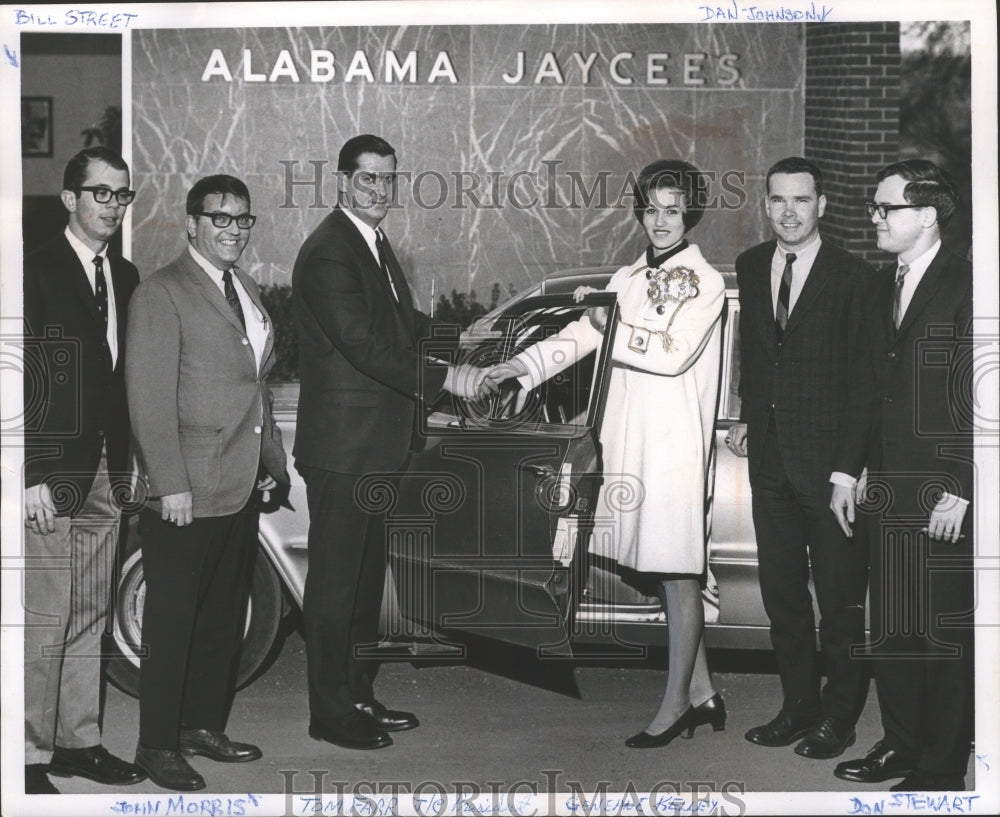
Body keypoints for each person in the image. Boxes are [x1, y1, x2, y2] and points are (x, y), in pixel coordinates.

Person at [486, 160, 727, 748]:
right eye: (652, 208)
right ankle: (704, 692)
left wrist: (607, 322)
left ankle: (675, 708)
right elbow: (580, 335)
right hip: (629, 441)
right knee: (663, 568)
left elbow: (669, 352)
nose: (662, 220)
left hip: (672, 448)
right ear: (641, 212)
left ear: (689, 214)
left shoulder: (707, 281)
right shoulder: (630, 275)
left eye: (673, 210)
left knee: (677, 573)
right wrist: (519, 366)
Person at [291, 134, 488, 752]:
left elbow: (401, 325)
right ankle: (329, 712)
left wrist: (470, 332)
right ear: (343, 181)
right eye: (368, 179)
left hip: (376, 447)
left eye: (388, 180)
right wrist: (447, 377)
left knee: (363, 586)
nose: (379, 190)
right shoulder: (329, 251)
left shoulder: (370, 245)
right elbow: (365, 345)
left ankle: (356, 694)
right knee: (333, 587)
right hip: (344, 452)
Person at [125, 175, 290, 790]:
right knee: (172, 621)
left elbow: (255, 385)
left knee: (222, 617)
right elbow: (148, 400)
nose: (233, 229)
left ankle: (200, 727)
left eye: (243, 220)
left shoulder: (241, 287)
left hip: (238, 484)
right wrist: (170, 483)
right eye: (220, 217)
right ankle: (156, 744)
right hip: (185, 490)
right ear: (191, 223)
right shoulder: (161, 293)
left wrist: (270, 463)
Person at [833, 160, 974, 791]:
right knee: (893, 626)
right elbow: (865, 386)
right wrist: (845, 471)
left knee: (942, 634)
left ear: (925, 215)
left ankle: (941, 768)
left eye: (884, 208)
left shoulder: (971, 283)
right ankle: (900, 745)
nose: (874, 218)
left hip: (943, 490)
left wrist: (964, 488)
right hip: (884, 486)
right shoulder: (877, 285)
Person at [726, 156, 873, 759]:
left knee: (839, 605)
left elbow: (865, 381)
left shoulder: (855, 276)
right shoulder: (752, 263)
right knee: (783, 600)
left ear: (823, 205)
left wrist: (848, 469)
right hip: (770, 461)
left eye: (801, 200)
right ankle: (798, 708)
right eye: (778, 200)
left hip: (830, 470)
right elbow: (756, 354)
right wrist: (744, 412)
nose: (789, 212)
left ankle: (839, 719)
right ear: (766, 204)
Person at [22, 147, 146, 795]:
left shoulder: (125, 275)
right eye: (102, 194)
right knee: (45, 610)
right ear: (70, 199)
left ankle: (79, 740)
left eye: (122, 196)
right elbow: (21, 376)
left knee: (92, 608)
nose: (114, 207)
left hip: (107, 466)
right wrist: (31, 471)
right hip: (52, 466)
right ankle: (26, 753)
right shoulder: (32, 269)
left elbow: (123, 378)